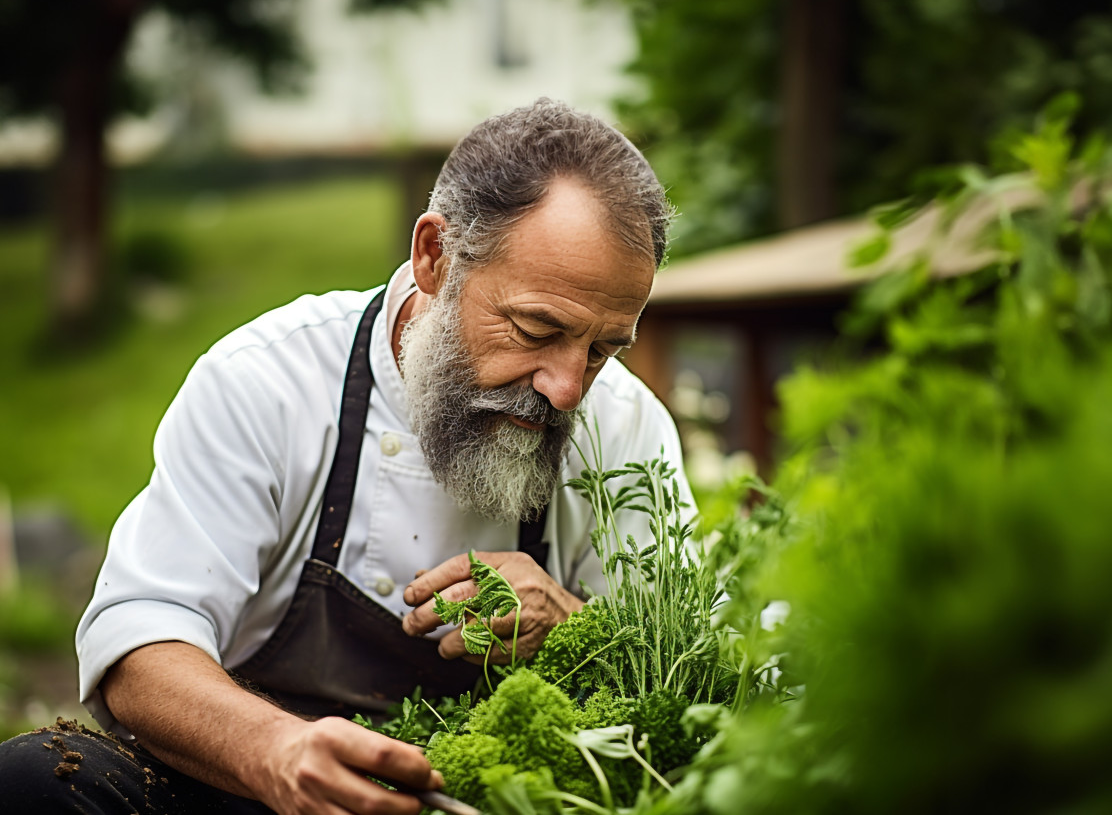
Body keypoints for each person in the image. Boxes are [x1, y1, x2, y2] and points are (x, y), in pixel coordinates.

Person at [0, 99, 690, 814]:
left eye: (604, 349)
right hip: (245, 792)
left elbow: (683, 689)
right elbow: (143, 642)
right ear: (434, 257)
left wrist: (573, 624)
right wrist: (276, 750)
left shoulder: (626, 430)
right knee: (37, 779)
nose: (568, 387)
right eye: (536, 328)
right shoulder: (267, 381)